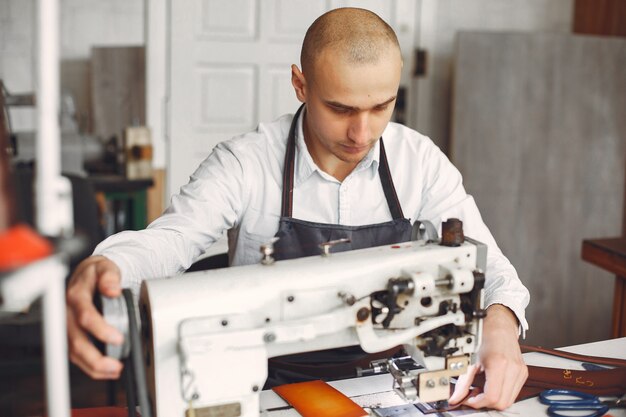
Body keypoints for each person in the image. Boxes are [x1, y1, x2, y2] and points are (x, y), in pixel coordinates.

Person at [66, 7, 529, 410]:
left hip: (386, 380)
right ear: (300, 85)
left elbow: (494, 268)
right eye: (341, 108)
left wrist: (502, 327)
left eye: (382, 107)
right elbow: (170, 240)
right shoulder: (246, 163)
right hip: (265, 385)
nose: (362, 134)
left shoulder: (420, 163)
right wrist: (106, 267)